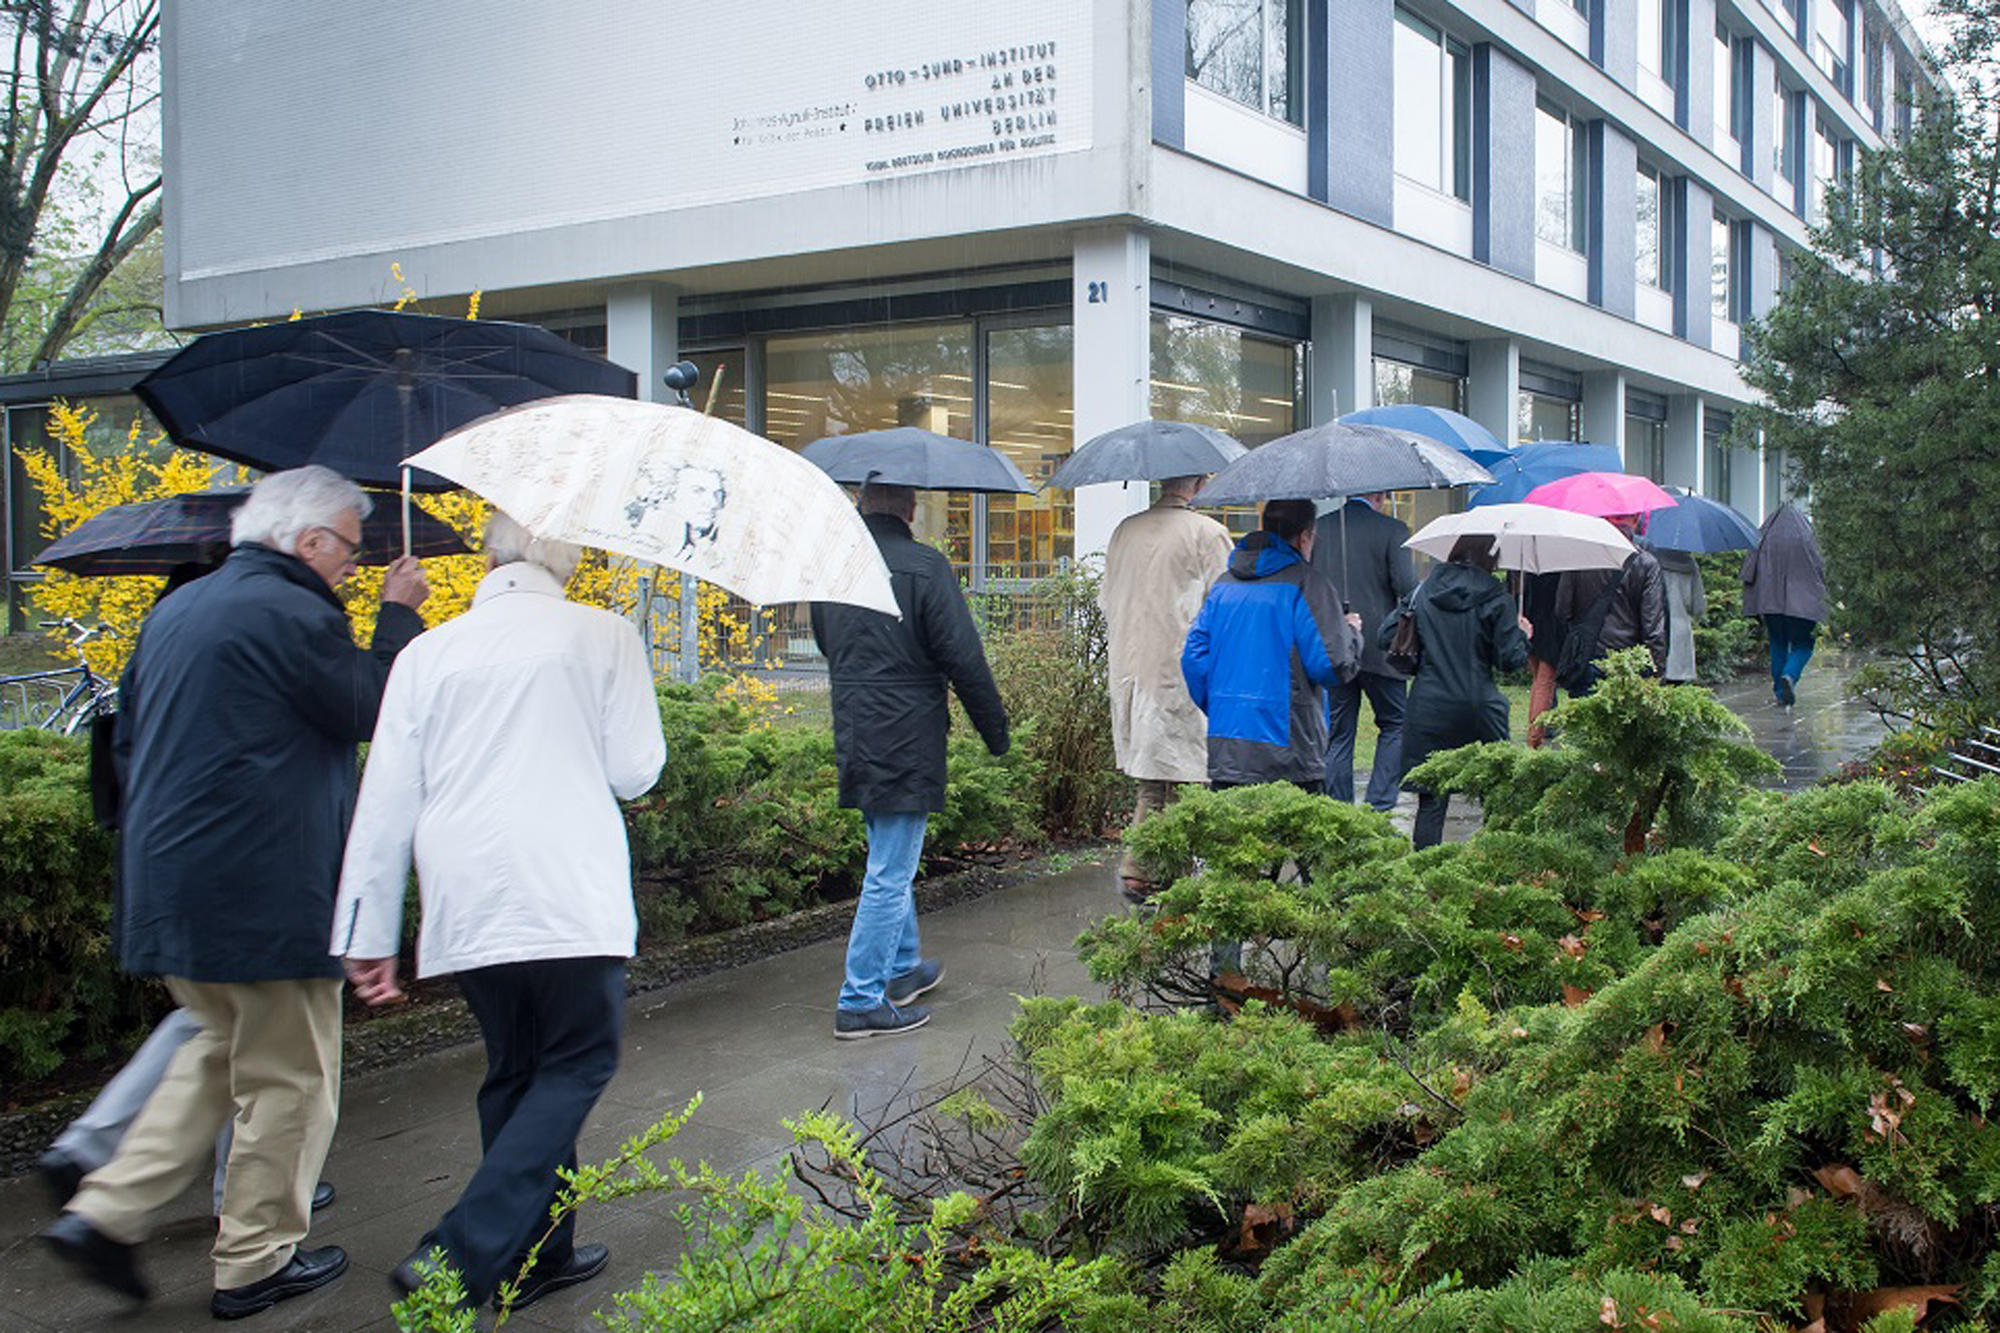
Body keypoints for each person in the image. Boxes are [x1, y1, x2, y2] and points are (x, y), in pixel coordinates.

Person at [41, 466, 428, 1319]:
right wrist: (398, 616)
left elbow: (134, 739)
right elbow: (373, 705)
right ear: (308, 540)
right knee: (291, 1079)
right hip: (266, 888)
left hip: (173, 882)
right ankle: (254, 1259)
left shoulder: (179, 608)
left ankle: (104, 1215)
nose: (355, 568)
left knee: (217, 1051)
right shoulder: (292, 610)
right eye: (350, 551)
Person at [332, 513, 665, 1312]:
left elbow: (384, 801)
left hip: (467, 893)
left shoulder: (425, 652)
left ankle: (541, 1251)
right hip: (565, 887)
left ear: (489, 556)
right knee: (578, 1060)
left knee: (515, 1068)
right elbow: (635, 771)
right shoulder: (603, 633)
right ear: (568, 558)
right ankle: (464, 1248)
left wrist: (368, 931)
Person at [46, 555, 338, 1223]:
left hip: (167, 864)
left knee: (213, 1032)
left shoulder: (171, 619)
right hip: (241, 878)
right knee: (264, 1050)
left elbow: (131, 742)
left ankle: (100, 1176)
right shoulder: (254, 614)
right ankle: (232, 1214)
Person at [812, 481, 1009, 1040]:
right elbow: (962, 656)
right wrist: (995, 732)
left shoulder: (837, 568)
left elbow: (829, 643)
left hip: (856, 725)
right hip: (906, 732)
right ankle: (860, 999)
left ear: (861, 505)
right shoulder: (925, 567)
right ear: (911, 509)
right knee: (890, 871)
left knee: (887, 852)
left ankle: (902, 969)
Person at [1099, 474, 1232, 897]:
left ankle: (1150, 867)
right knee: (1191, 776)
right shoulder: (1207, 534)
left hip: (1130, 668)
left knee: (1155, 778)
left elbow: (1106, 599)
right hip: (1180, 671)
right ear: (1197, 482)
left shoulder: (1124, 530)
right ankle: (1154, 869)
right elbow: (1226, 605)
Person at [1181, 498, 1364, 792]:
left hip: (1228, 742)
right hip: (1289, 744)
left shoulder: (1224, 585)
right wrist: (1352, 633)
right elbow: (1331, 664)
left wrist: (1221, 705)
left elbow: (1193, 659)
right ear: (1305, 536)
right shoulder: (1308, 584)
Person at [1381, 535, 1531, 848]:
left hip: (1429, 707)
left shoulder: (1424, 591)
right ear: (1490, 559)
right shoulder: (1497, 598)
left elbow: (1386, 636)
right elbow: (1510, 661)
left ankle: (1427, 879)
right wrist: (1522, 634)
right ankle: (1494, 870)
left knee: (1431, 804)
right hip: (1480, 709)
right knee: (1498, 797)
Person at [1309, 492, 1417, 810]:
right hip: (1382, 649)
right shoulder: (1393, 530)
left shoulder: (1318, 529)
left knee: (1339, 733)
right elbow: (1407, 587)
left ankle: (1339, 808)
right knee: (1395, 723)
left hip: (1333, 644)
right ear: (1380, 496)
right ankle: (1378, 805)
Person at [1552, 514, 1667, 688]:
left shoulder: (1578, 560)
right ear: (1635, 523)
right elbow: (1653, 628)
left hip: (1586, 657)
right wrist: (1657, 670)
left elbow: (1562, 610)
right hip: (1630, 661)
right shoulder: (1647, 564)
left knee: (1587, 712)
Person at [1741, 502, 1827, 708]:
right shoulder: (1808, 538)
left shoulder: (1765, 536)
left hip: (1770, 601)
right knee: (1804, 643)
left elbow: (1749, 567)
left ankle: (1780, 693)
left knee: (1778, 641)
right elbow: (1822, 567)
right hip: (1803, 603)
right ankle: (1790, 674)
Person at [1519, 571, 1566, 747]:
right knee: (1545, 683)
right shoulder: (1559, 570)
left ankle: (1533, 732)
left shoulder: (1530, 566)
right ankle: (1534, 738)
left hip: (1532, 625)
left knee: (1539, 681)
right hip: (1551, 628)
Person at [1654, 546, 1707, 684]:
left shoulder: (1653, 561)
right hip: (1680, 631)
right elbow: (1698, 607)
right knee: (1677, 687)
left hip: (1657, 629)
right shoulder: (1690, 565)